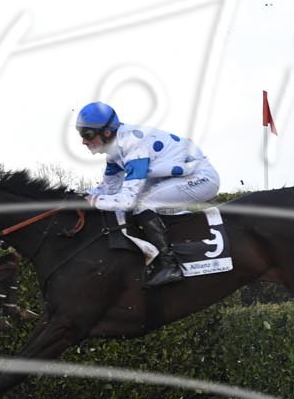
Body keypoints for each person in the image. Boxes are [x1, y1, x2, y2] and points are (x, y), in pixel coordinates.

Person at [75, 101, 221, 287]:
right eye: (80, 134)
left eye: (87, 134)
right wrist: (78, 196)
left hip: (201, 178)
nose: (83, 141)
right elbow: (108, 189)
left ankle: (169, 264)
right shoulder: (114, 153)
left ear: (107, 132)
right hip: (177, 178)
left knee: (141, 204)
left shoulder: (133, 145)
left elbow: (127, 200)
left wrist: (94, 200)